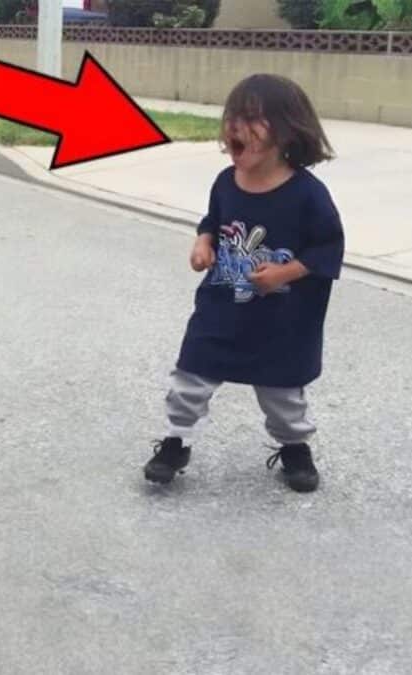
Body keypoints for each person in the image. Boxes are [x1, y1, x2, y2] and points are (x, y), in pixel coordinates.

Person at [144, 73, 344, 493]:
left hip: (282, 323)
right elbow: (212, 222)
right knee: (190, 380)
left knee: (283, 396)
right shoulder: (225, 181)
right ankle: (176, 442)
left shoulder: (308, 195)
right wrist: (203, 243)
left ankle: (294, 448)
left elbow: (328, 247)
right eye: (232, 115)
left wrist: (284, 273)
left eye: (252, 118)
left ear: (287, 130)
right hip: (221, 311)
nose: (236, 125)